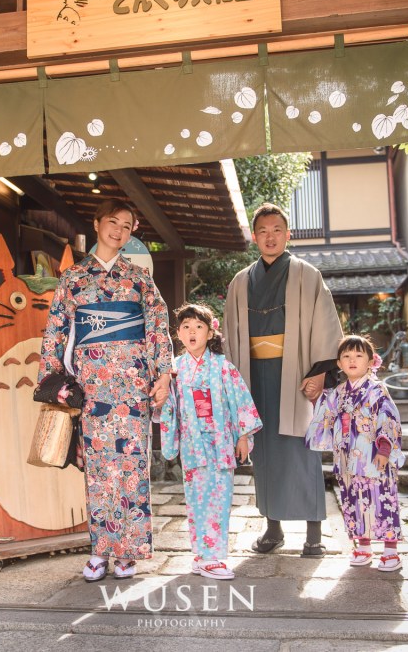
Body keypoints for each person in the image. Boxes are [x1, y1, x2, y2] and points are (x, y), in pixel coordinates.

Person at [38, 198, 173, 582]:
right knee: (97, 470)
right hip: (92, 386)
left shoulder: (139, 278)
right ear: (97, 224)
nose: (118, 230)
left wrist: (162, 375)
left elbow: (157, 327)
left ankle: (127, 554)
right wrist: (53, 383)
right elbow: (56, 332)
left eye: (127, 226)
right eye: (112, 222)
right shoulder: (73, 278)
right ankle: (100, 551)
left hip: (132, 385)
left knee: (132, 468)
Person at [223, 203, 344, 558]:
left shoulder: (307, 275)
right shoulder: (241, 281)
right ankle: (272, 528)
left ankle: (313, 533)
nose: (270, 236)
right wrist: (232, 385)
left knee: (301, 451)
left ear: (288, 234)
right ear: (254, 238)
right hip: (253, 376)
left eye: (277, 229)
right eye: (263, 231)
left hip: (296, 375)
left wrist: (320, 373)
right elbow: (230, 334)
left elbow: (325, 324)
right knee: (265, 453)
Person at [158, 304, 263, 580]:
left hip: (220, 440)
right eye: (186, 327)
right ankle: (203, 555)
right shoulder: (175, 369)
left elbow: (239, 400)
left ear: (210, 332)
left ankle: (213, 556)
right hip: (193, 442)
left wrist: (243, 435)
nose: (192, 332)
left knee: (219, 497)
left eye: (199, 327)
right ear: (177, 333)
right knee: (195, 499)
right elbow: (168, 407)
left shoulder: (222, 366)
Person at [308, 334, 404, 572]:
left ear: (371, 361)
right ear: (339, 364)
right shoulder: (337, 393)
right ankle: (363, 545)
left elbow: (388, 417)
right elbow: (325, 417)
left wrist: (384, 447)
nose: (352, 360)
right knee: (354, 502)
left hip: (374, 457)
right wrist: (314, 402)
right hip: (347, 458)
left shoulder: (378, 390)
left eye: (359, 355)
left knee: (382, 500)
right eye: (346, 356)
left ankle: (390, 550)